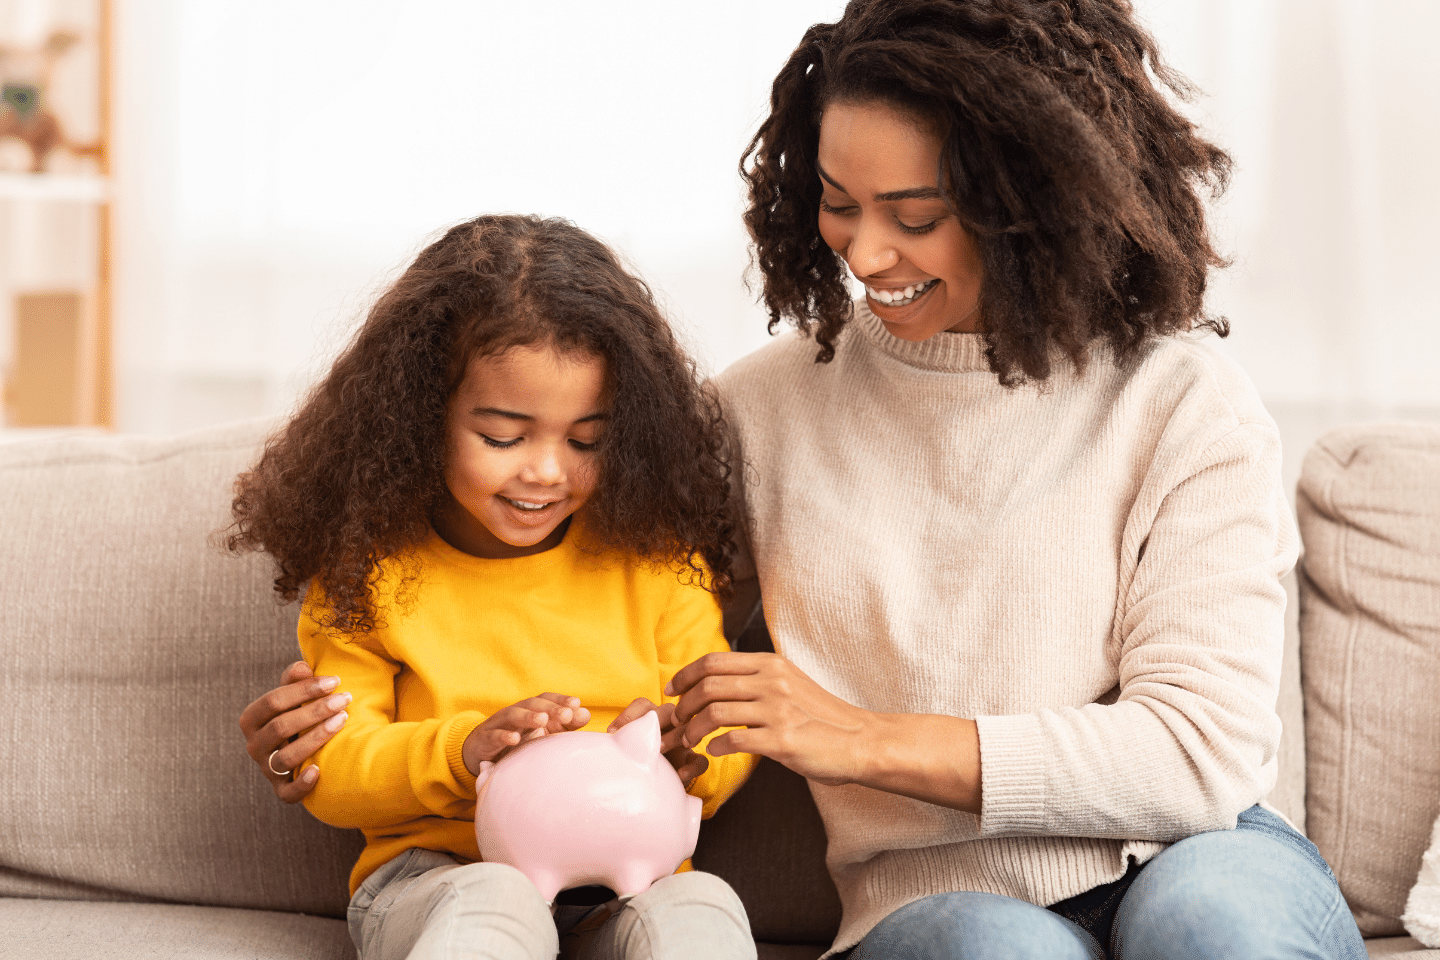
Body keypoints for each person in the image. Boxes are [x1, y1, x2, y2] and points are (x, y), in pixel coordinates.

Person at [243, 3, 1369, 958]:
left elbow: (1199, 752)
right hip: (934, 895)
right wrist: (342, 721)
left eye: (915, 216)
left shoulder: (1181, 398)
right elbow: (590, 596)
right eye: (839, 203)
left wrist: (859, 736)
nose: (866, 254)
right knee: (995, 947)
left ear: (1037, 193)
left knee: (1218, 913)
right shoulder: (755, 415)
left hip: (1192, 848)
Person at [227, 213, 757, 960]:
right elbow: (331, 769)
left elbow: (729, 725)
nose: (545, 471)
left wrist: (693, 754)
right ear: (420, 419)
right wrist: (463, 754)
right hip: (439, 876)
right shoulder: (371, 574)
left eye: (586, 440)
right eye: (504, 436)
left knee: (702, 906)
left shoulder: (658, 562)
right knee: (496, 899)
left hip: (634, 879)